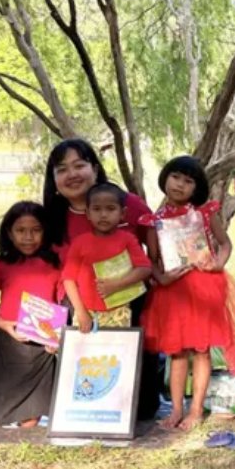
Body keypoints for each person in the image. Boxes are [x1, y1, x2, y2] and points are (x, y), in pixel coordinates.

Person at [41, 138, 162, 420]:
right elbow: (49, 275)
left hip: (129, 305)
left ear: (95, 169)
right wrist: (49, 324)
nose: (72, 175)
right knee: (88, 384)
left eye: (79, 166)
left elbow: (157, 250)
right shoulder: (50, 218)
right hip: (77, 307)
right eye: (62, 169)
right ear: (53, 179)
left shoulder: (128, 205)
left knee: (141, 408)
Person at [140, 156, 235, 431]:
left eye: (188, 181)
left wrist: (218, 263)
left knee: (201, 350)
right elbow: (152, 259)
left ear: (196, 188)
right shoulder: (154, 221)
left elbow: (225, 243)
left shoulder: (204, 214)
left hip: (204, 288)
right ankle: (176, 410)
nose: (179, 185)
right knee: (177, 353)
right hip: (172, 292)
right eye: (175, 177)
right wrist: (161, 277)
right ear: (165, 178)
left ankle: (195, 409)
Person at [0, 201, 62, 428]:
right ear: (9, 233)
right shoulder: (0, 266)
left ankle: (25, 442)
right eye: (21, 230)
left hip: (41, 348)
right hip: (6, 342)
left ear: (45, 231)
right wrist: (2, 324)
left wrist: (55, 338)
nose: (28, 237)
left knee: (32, 414)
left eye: (36, 230)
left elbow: (61, 304)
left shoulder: (57, 265)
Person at [61, 183, 153, 330]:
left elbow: (145, 268)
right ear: (88, 213)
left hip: (120, 309)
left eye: (110, 209)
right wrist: (81, 312)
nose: (103, 215)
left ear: (123, 213)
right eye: (97, 209)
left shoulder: (127, 240)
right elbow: (68, 280)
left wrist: (117, 284)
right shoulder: (79, 243)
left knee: (118, 345)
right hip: (85, 311)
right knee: (85, 345)